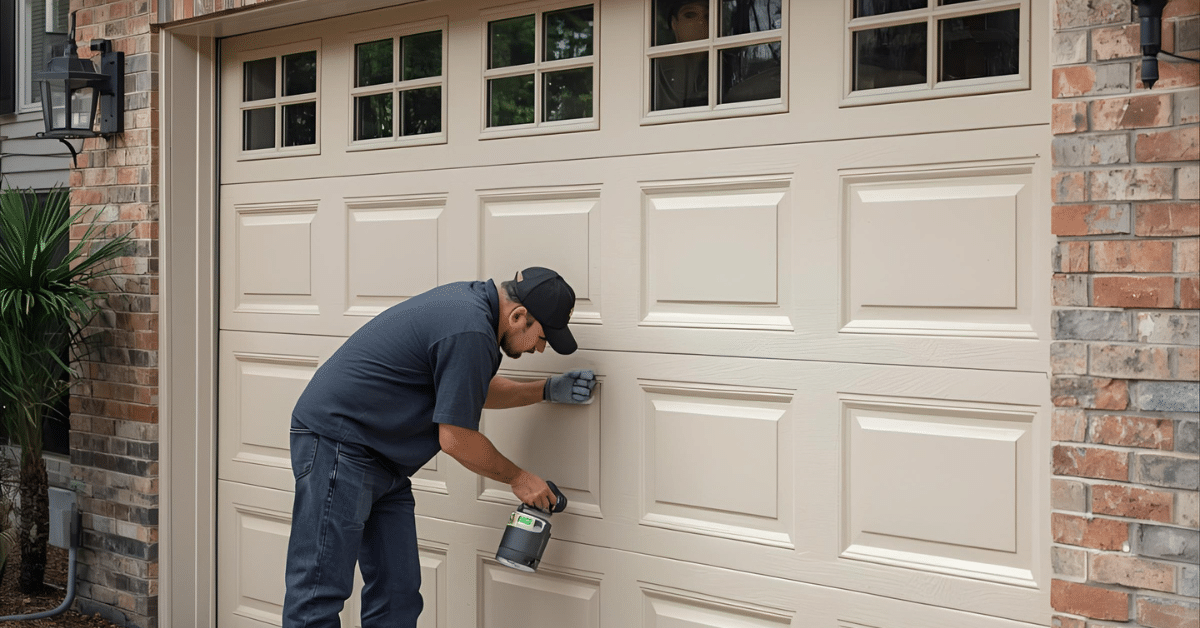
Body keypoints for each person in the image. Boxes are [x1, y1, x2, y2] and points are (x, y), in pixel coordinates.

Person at [282, 267, 597, 628]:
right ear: (519, 316)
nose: (541, 347)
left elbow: (465, 389)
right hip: (339, 446)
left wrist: (545, 389)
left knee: (397, 595)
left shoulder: (472, 315)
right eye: (542, 337)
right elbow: (456, 438)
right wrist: (518, 477)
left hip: (385, 460)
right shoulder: (470, 327)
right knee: (317, 594)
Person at [653, 0, 710, 110]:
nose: (701, 22)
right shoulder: (656, 67)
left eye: (707, 15)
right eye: (690, 15)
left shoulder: (728, 65)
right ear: (674, 23)